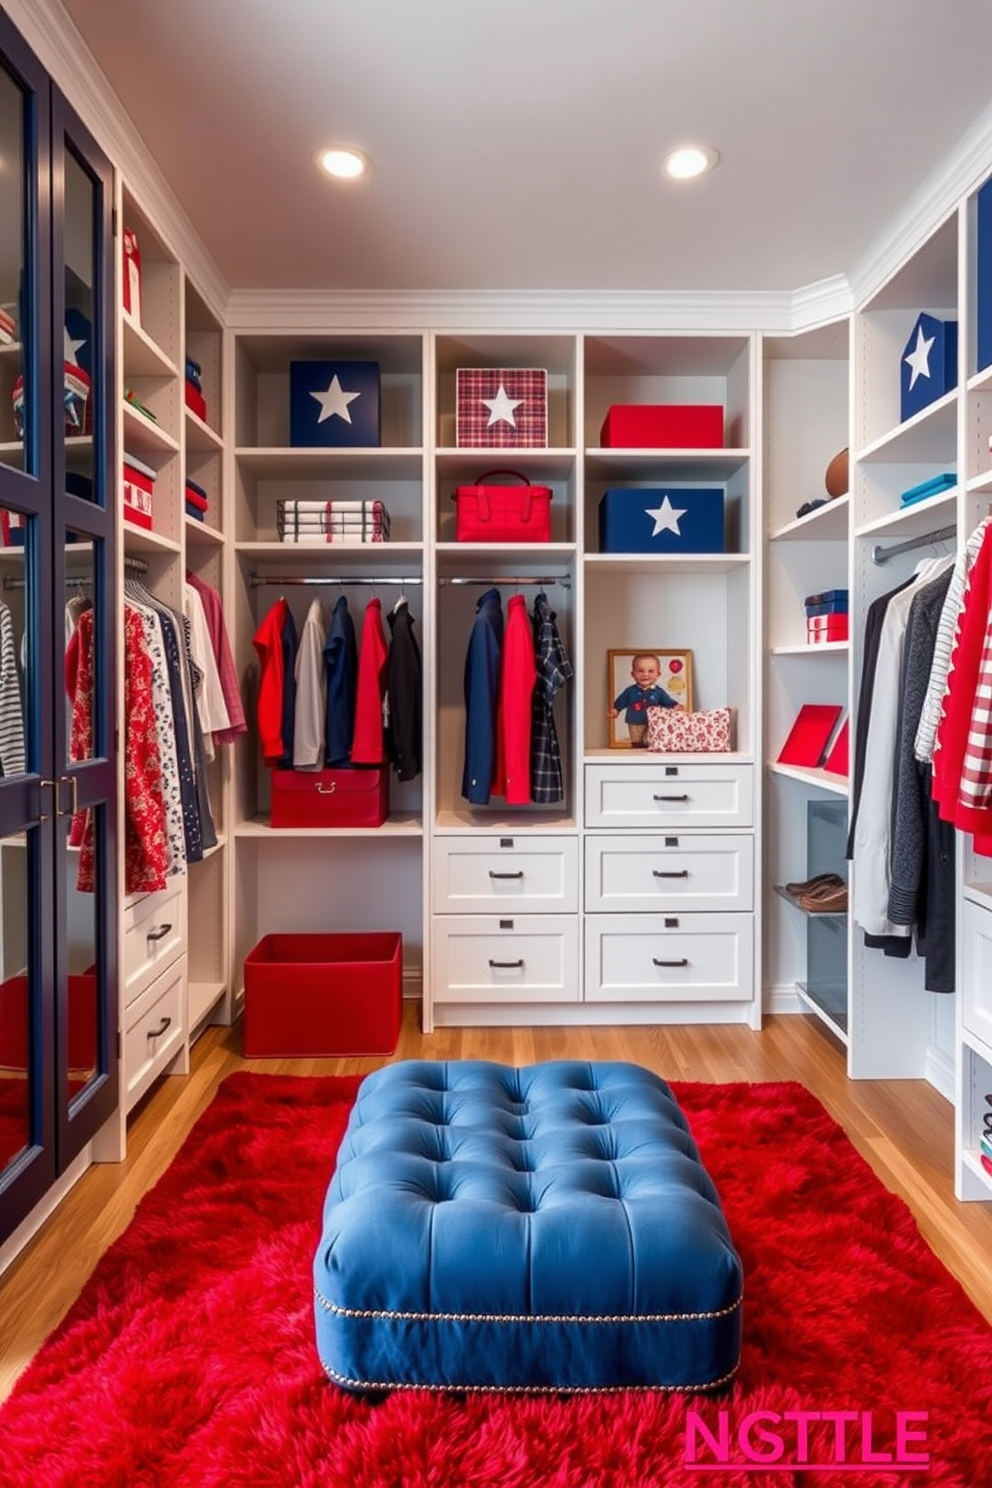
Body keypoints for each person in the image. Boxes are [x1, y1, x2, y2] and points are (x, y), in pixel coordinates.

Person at [610, 652, 680, 747]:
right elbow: (622, 701)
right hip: (635, 721)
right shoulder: (630, 691)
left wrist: (675, 706)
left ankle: (651, 752)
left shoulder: (658, 692)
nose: (645, 674)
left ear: (658, 674)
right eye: (640, 671)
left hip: (654, 722)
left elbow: (667, 701)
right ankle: (637, 752)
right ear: (633, 674)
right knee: (637, 740)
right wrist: (616, 709)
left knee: (652, 740)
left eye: (651, 671)